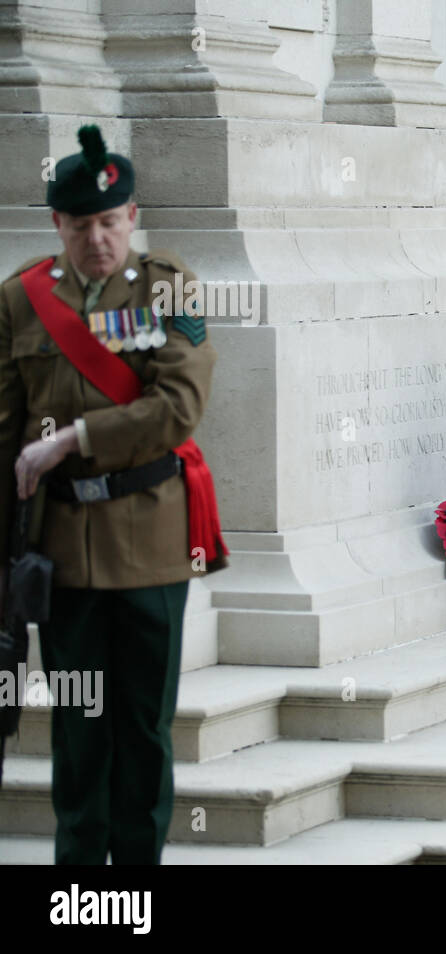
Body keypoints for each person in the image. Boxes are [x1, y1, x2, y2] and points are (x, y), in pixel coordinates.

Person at [0, 125, 226, 862]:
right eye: (81, 224)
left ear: (131, 218)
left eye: (110, 221)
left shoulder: (169, 286)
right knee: (77, 734)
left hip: (153, 552)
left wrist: (73, 440)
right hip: (61, 556)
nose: (97, 238)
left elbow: (177, 407)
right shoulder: (21, 302)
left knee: (140, 731)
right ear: (58, 224)